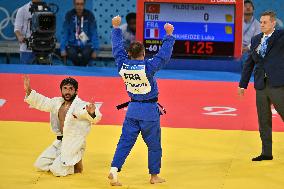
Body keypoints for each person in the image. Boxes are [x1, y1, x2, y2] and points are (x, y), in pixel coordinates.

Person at [108, 15, 175, 186]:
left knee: (124, 142)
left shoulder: (122, 64)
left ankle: (114, 169)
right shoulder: (148, 66)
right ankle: (154, 176)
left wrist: (116, 28)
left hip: (132, 110)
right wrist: (168, 35)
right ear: (144, 54)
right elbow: (163, 56)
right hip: (149, 112)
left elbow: (117, 50)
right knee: (154, 146)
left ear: (129, 53)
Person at [23, 75, 102, 176]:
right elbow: (43, 102)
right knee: (40, 165)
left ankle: (76, 164)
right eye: (65, 88)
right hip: (60, 141)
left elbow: (94, 116)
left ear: (76, 91)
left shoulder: (80, 105)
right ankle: (65, 160)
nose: (67, 91)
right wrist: (28, 90)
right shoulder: (57, 102)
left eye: (70, 89)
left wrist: (91, 112)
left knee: (57, 171)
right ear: (61, 90)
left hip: (73, 143)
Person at [238, 11, 284, 161]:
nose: (261, 25)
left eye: (265, 22)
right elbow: (249, 63)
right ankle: (266, 152)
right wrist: (242, 84)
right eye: (261, 22)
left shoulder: (280, 37)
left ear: (273, 23)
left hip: (277, 84)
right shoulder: (256, 39)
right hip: (260, 86)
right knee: (263, 120)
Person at [60, 0, 99, 66]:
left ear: (84, 4)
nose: (79, 6)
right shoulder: (69, 15)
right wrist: (62, 48)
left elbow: (94, 33)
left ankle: (80, 71)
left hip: (86, 44)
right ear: (74, 4)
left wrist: (96, 49)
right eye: (77, 4)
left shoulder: (89, 15)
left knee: (86, 54)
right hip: (72, 44)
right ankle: (80, 70)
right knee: (72, 54)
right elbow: (65, 33)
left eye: (81, 4)